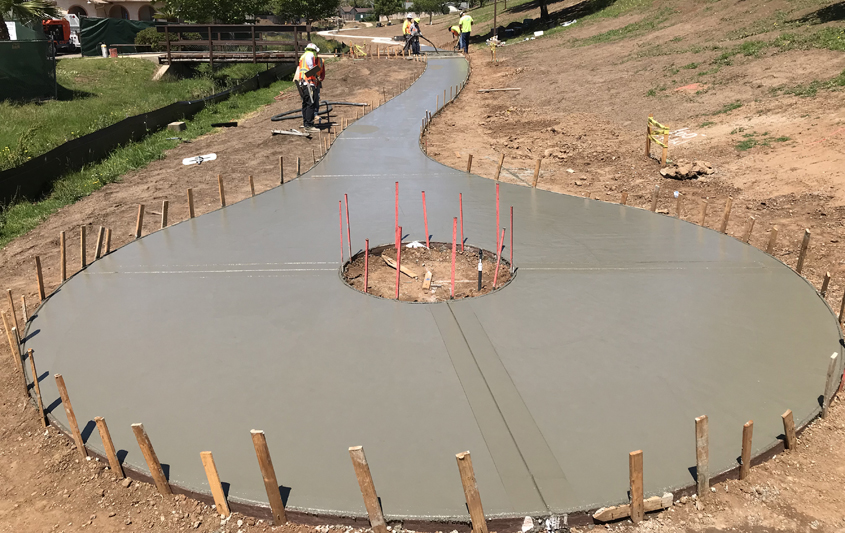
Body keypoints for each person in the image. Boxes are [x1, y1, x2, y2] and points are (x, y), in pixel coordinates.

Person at [293, 43, 325, 133]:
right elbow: (311, 68)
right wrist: (316, 75)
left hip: (303, 83)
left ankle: (306, 123)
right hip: (309, 83)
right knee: (310, 104)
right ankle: (309, 125)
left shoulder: (303, 56)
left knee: (305, 104)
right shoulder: (310, 55)